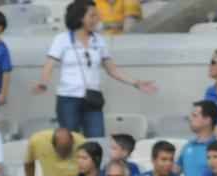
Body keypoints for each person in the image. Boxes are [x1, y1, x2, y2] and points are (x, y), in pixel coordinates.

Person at [32, 0, 156, 138]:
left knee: (97, 140)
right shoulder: (62, 39)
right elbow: (49, 64)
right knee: (70, 140)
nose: (97, 19)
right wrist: (43, 83)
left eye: (96, 15)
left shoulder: (99, 40)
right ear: (80, 17)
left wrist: (136, 83)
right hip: (68, 99)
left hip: (93, 98)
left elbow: (112, 69)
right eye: (92, 16)